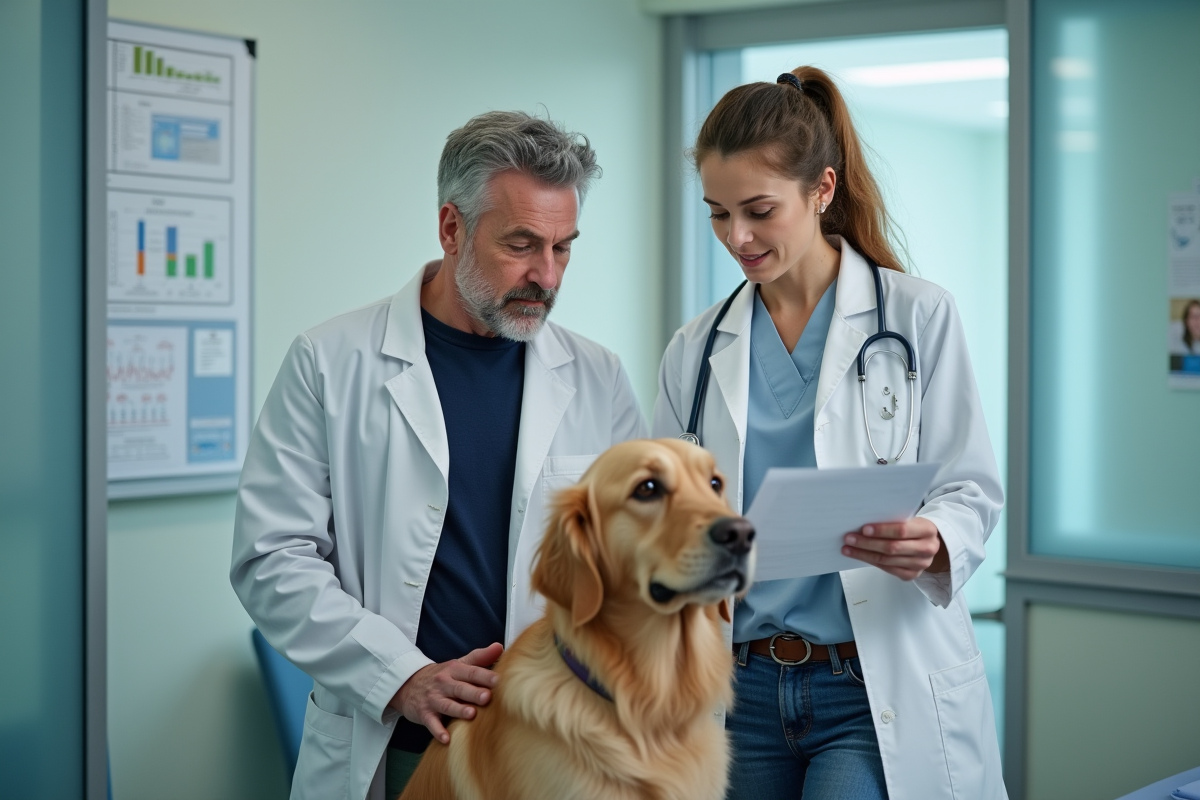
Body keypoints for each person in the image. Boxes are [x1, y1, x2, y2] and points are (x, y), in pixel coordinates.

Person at [232, 110, 647, 800]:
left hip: (557, 750)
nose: (546, 275)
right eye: (521, 245)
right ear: (452, 228)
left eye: (564, 248)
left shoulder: (597, 376)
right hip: (399, 746)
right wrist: (399, 674)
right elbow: (271, 556)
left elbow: (632, 556)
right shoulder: (331, 361)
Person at [652, 68, 1006, 799]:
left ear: (821, 190)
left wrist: (935, 537)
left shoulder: (916, 315)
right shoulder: (695, 349)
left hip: (868, 681)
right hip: (736, 688)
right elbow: (665, 511)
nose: (737, 238)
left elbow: (969, 484)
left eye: (758, 210)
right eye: (718, 214)